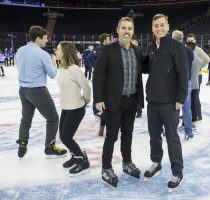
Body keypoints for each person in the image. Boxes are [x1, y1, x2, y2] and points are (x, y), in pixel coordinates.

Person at [93, 17, 144, 187]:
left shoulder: (137, 51)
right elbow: (98, 76)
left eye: (130, 28)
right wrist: (98, 98)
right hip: (113, 102)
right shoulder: (108, 50)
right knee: (112, 136)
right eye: (124, 28)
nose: (127, 31)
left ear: (133, 31)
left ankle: (127, 162)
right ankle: (106, 168)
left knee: (128, 134)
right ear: (118, 30)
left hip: (131, 101)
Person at [143, 14, 188, 189]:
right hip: (153, 101)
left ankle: (177, 172)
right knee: (154, 136)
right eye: (156, 25)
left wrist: (180, 98)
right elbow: (149, 69)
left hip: (170, 103)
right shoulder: (152, 46)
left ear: (168, 27)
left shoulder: (176, 46)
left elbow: (183, 75)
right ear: (152, 27)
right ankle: (156, 162)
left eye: (162, 25)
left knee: (172, 138)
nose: (159, 28)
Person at [15, 25, 67, 159]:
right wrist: (54, 64)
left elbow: (19, 66)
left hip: (23, 90)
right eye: (44, 38)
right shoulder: (43, 54)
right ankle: (50, 147)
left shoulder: (20, 50)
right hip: (37, 90)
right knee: (53, 118)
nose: (46, 41)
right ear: (37, 39)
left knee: (26, 119)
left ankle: (22, 144)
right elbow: (52, 75)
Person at [55, 41, 91, 176]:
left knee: (66, 137)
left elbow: (86, 88)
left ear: (64, 52)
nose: (56, 51)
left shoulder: (74, 69)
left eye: (58, 49)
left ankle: (83, 161)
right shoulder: (63, 68)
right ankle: (75, 156)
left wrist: (86, 100)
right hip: (65, 108)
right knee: (63, 136)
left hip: (76, 108)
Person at [172, 30, 193, 140]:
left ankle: (170, 130)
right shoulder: (189, 50)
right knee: (186, 108)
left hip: (174, 82)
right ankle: (188, 133)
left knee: (173, 108)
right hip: (187, 81)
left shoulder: (172, 49)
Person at [186, 33, 209, 121]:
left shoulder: (198, 50)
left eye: (192, 40)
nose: (190, 42)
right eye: (188, 40)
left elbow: (207, 59)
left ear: (195, 41)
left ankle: (198, 115)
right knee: (188, 96)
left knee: (195, 96)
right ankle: (188, 113)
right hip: (188, 75)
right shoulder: (186, 48)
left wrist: (199, 67)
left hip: (196, 76)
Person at [93, 33, 111, 136]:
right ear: (104, 40)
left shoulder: (103, 48)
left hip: (105, 78)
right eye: (108, 39)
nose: (110, 40)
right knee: (108, 107)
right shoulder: (102, 49)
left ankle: (102, 128)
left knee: (106, 108)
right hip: (105, 80)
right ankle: (105, 128)